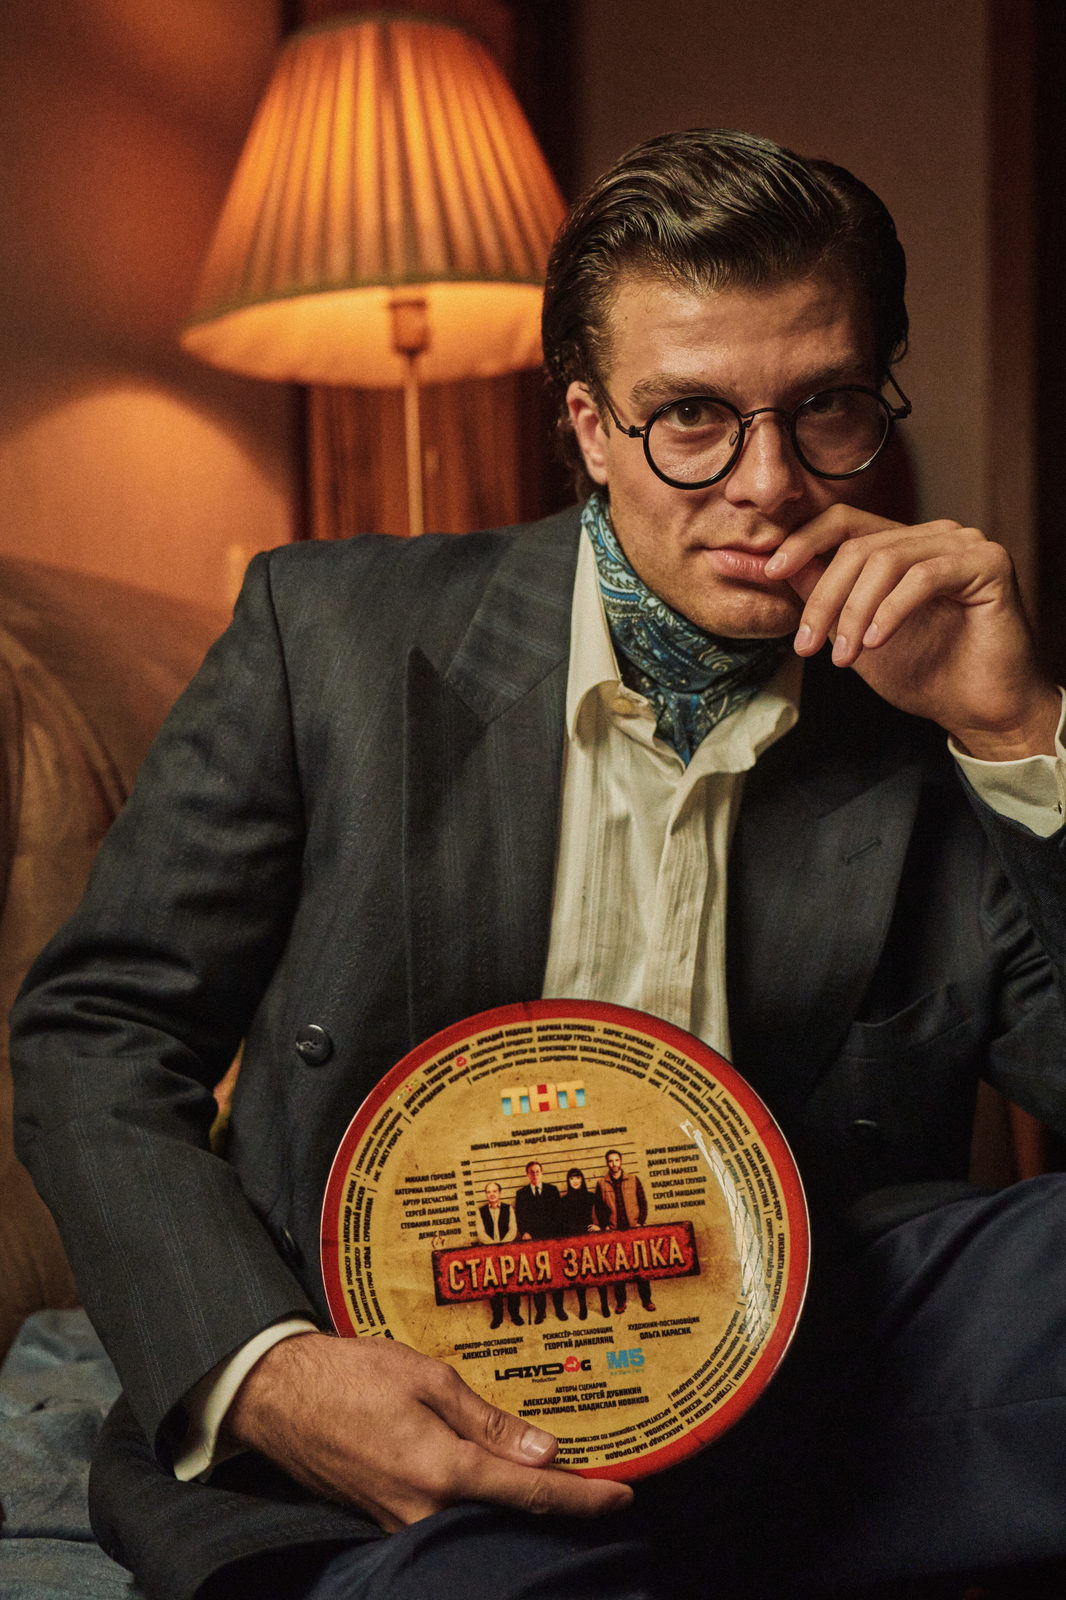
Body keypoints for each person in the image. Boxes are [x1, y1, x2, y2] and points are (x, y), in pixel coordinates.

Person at [10, 127, 1066, 1600]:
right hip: (408, 1400)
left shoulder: (924, 697)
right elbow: (98, 1033)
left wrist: (1019, 735)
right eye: (689, 417)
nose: (767, 482)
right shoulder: (329, 638)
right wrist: (271, 1371)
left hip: (813, 1365)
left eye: (823, 407)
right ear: (586, 424)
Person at [593, 1151, 654, 1314]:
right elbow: (599, 1208)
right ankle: (621, 1302)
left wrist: (640, 1222)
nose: (614, 1164)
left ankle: (647, 1300)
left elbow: (643, 1202)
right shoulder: (601, 1184)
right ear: (607, 1163)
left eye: (616, 1160)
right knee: (617, 1268)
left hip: (633, 1229)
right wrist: (605, 1226)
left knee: (640, 1265)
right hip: (614, 1232)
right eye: (610, 1161)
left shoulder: (633, 1179)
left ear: (621, 1161)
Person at [513, 1161, 567, 1325]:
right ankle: (540, 1311)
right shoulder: (522, 1194)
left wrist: (556, 1238)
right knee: (537, 1276)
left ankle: (559, 1309)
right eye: (532, 1172)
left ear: (542, 1173)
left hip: (551, 1240)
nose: (535, 1175)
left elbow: (559, 1214)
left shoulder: (552, 1190)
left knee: (556, 1275)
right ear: (527, 1174)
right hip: (532, 1241)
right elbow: (519, 1217)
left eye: (537, 1171)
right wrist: (525, 1232)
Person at [556, 1166, 606, 1320]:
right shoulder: (563, 1201)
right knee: (579, 1276)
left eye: (578, 1177)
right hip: (574, 1243)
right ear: (568, 1181)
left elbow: (606, 1212)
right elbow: (560, 1224)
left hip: (592, 1241)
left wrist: (599, 1227)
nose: (575, 1181)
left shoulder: (591, 1196)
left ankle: (604, 1304)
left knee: (599, 1273)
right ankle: (583, 1307)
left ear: (582, 1179)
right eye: (572, 1178)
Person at [473, 1181, 522, 1330]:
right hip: (490, 1254)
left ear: (499, 1193)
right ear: (486, 1195)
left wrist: (503, 1245)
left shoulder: (508, 1209)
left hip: (508, 1253)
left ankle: (515, 1315)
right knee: (494, 1286)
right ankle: (497, 1317)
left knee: (512, 1285)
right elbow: (481, 1233)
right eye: (489, 1192)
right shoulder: (480, 1211)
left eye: (494, 1191)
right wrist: (494, 1246)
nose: (492, 1194)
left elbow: (513, 1229)